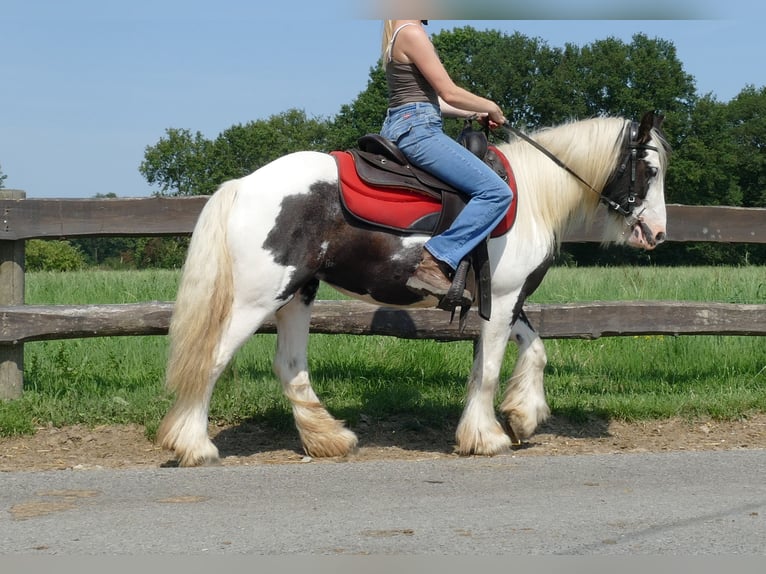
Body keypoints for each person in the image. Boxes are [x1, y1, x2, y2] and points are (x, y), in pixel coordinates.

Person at [380, 19, 512, 305]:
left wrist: (471, 113)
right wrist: (490, 106)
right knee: (497, 193)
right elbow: (448, 91)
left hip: (405, 121)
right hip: (418, 130)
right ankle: (435, 261)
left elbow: (430, 101)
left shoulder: (397, 33)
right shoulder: (412, 32)